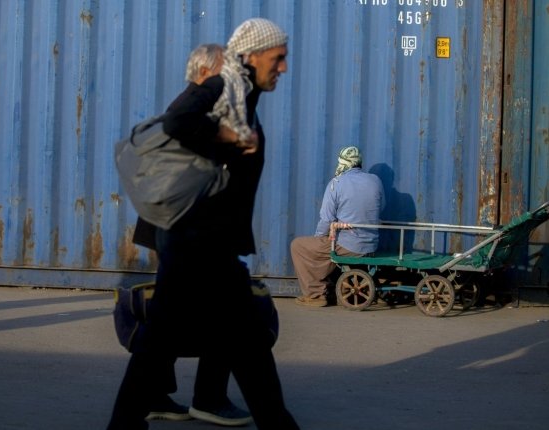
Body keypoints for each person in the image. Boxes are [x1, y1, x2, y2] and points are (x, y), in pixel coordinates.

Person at [107, 18, 299, 430]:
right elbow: (176, 120)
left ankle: (127, 423)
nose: (283, 67)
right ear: (252, 55)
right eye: (278, 58)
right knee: (239, 344)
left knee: (230, 343)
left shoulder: (243, 94)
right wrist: (229, 138)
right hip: (196, 242)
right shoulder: (221, 85)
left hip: (208, 243)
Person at [132, 43, 252, 426]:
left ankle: (153, 395)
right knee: (224, 311)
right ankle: (209, 398)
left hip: (177, 226)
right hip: (186, 228)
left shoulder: (195, 108)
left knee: (174, 313)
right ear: (204, 73)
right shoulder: (191, 109)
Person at [291, 146, 386, 307]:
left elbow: (326, 220)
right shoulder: (375, 181)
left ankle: (316, 294)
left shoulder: (336, 183)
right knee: (329, 247)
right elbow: (381, 207)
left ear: (342, 162)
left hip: (348, 245)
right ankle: (328, 285)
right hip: (371, 244)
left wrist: (319, 238)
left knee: (298, 246)